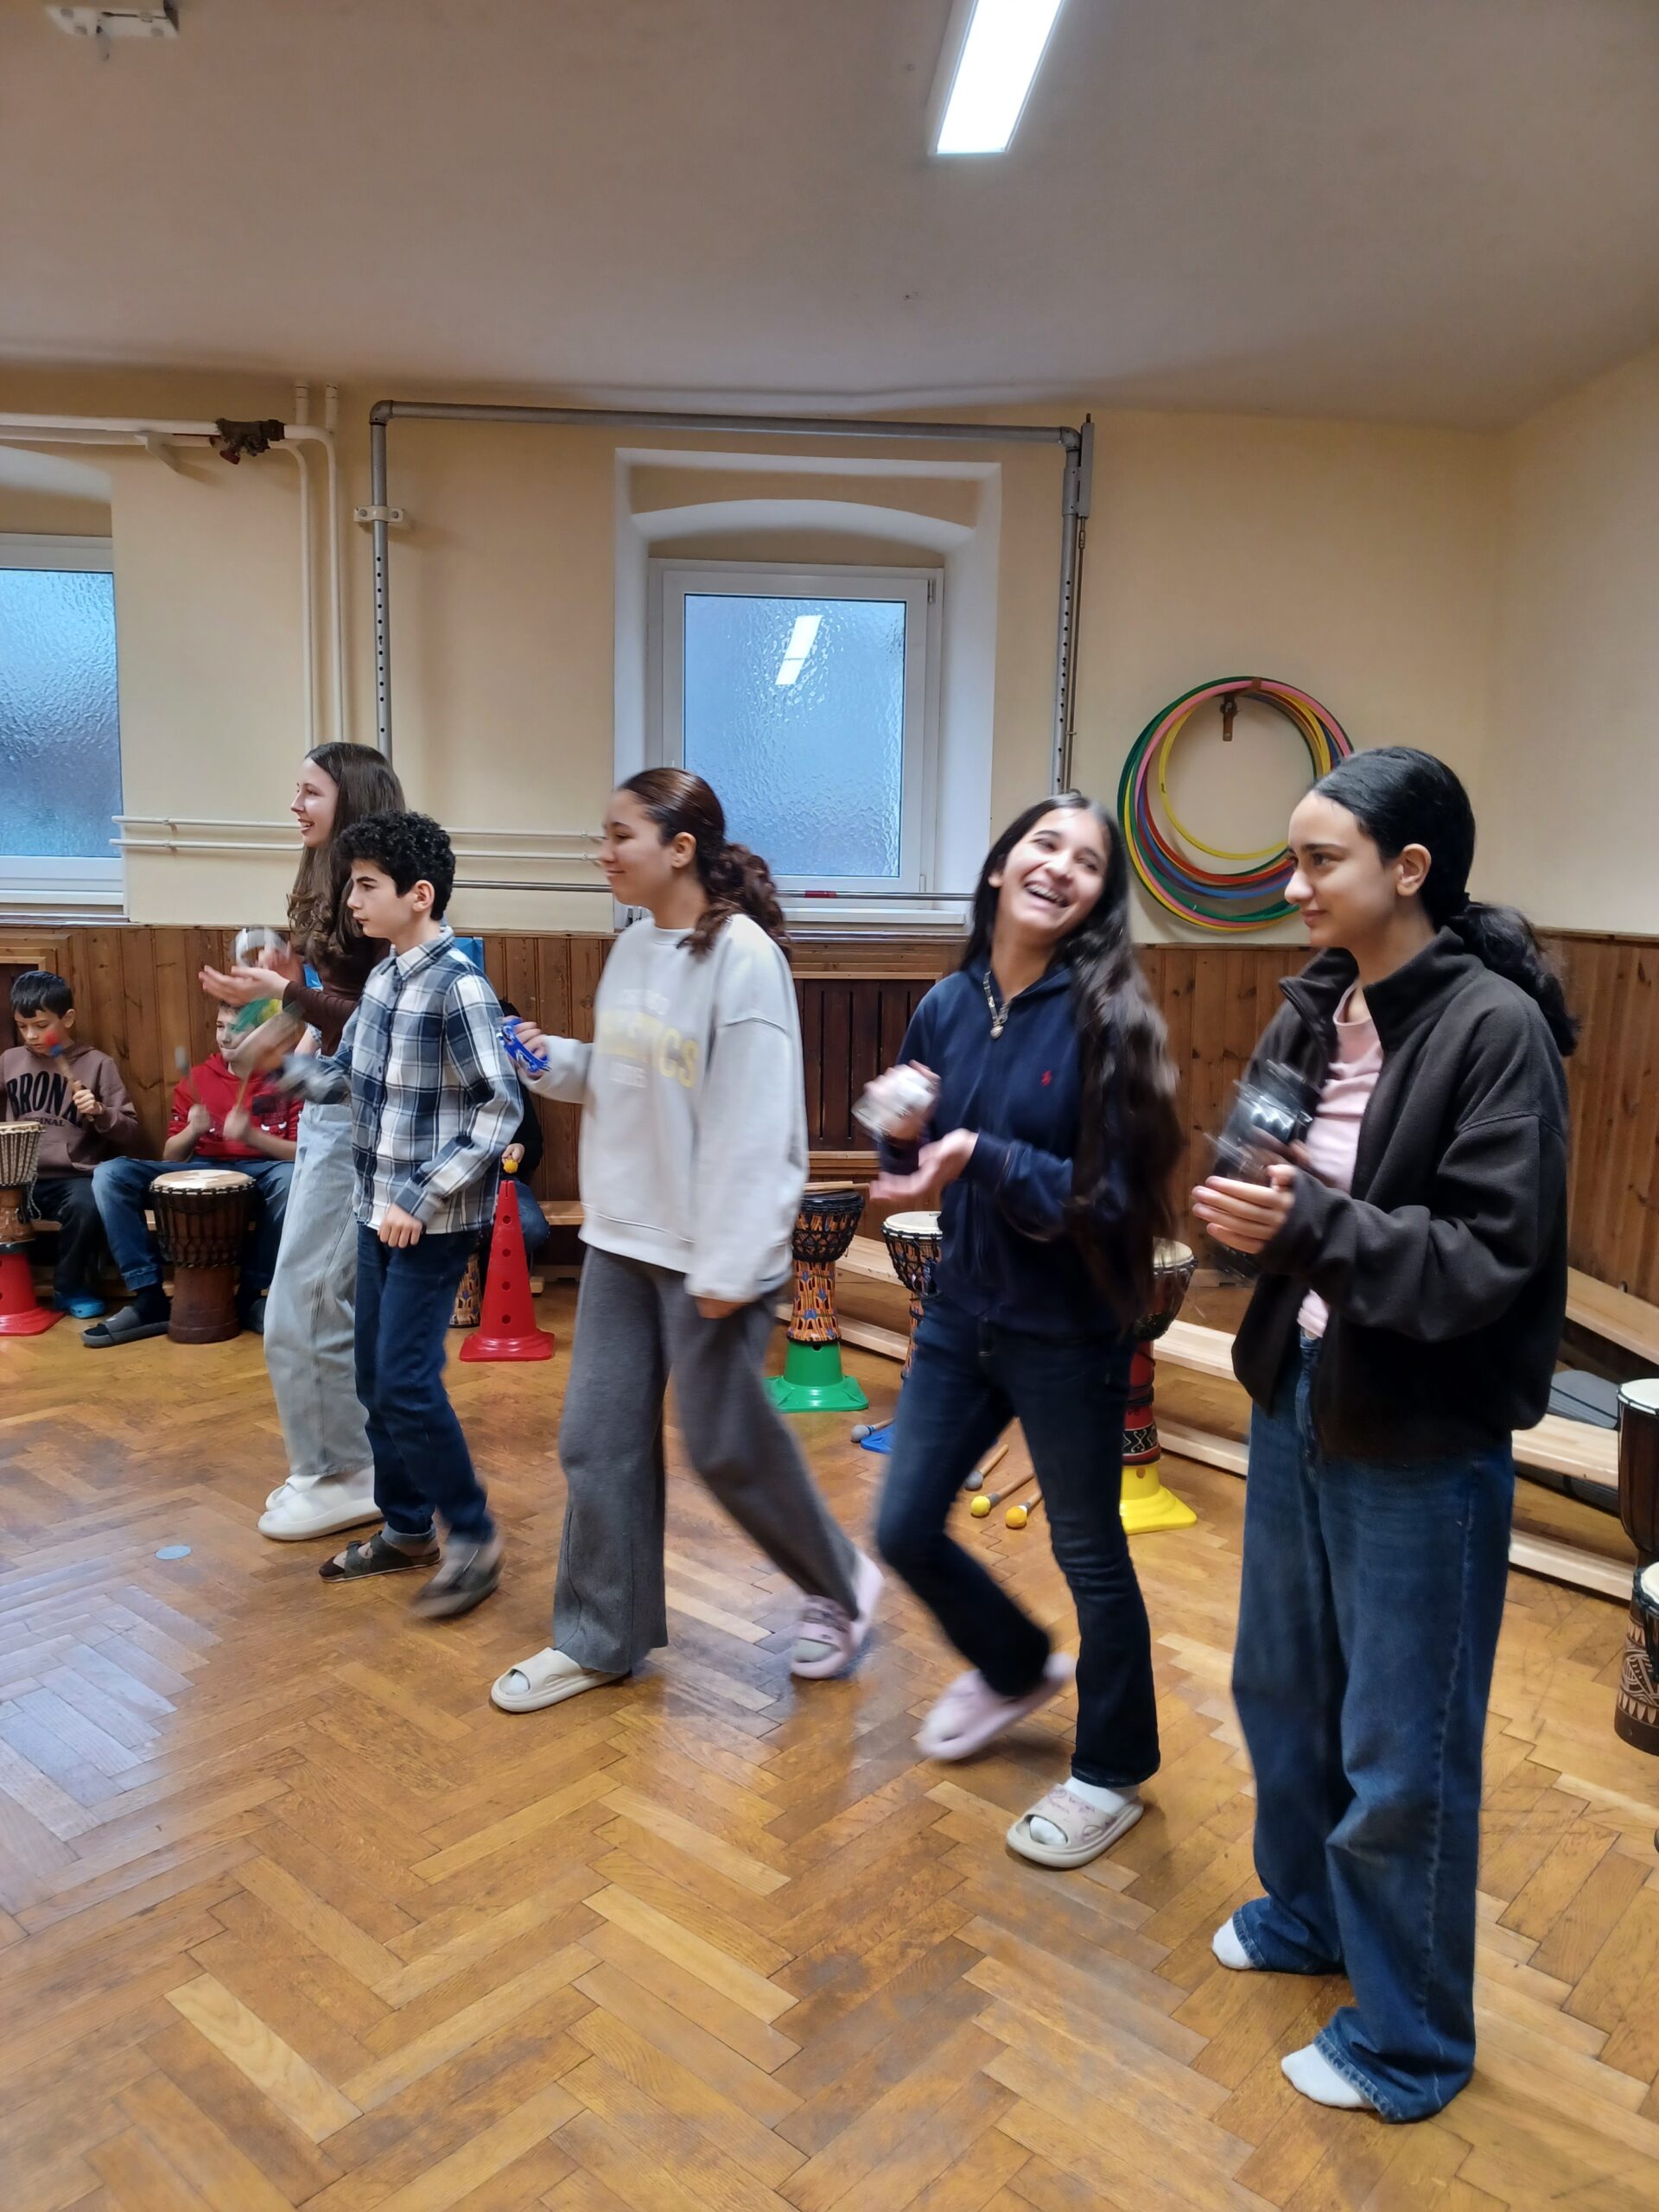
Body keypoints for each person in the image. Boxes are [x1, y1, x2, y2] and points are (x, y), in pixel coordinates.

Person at [1191, 747, 1575, 2123]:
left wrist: (1305, 1223)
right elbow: (1255, 1172)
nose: (1292, 886)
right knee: (1281, 1688)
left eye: (1318, 860)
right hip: (1301, 1388)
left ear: (1410, 870)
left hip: (1421, 1432)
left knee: (1403, 1752)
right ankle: (1308, 1915)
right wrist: (1239, 1209)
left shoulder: (1492, 1030)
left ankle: (1410, 2045)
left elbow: (1487, 1262)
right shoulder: (1319, 1004)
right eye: (1292, 860)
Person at [489, 769, 880, 1715]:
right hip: (625, 1238)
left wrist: (732, 1262)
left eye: (619, 834)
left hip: (710, 1248)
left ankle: (841, 1582)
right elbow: (637, 1076)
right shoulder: (632, 949)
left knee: (725, 1446)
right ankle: (601, 1638)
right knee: (596, 1443)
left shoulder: (744, 959)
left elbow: (760, 1125)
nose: (603, 852)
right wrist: (557, 1062)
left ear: (680, 847)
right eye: (602, 834)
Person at [867, 793, 1183, 1871]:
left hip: (1069, 1327)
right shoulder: (947, 1004)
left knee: (1091, 1555)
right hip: (962, 1314)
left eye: (1087, 861)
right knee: (904, 1525)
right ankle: (1012, 1664)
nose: (1060, 867)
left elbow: (1116, 1199)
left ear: (1097, 898)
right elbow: (910, 1160)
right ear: (1002, 865)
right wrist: (902, 1137)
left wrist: (983, 1157)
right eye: (1044, 844)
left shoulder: (1112, 1018)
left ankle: (1112, 1770)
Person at [259, 810, 520, 1619]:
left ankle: (473, 1534)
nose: (352, 900)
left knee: (405, 1381)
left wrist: (421, 1194)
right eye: (351, 885)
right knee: (375, 1379)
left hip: (430, 1223)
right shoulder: (383, 981)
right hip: (375, 1213)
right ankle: (408, 1530)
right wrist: (291, 1075)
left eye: (366, 886)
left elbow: (500, 1109)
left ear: (420, 894)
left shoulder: (460, 988)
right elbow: (351, 1081)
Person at [200, 741, 406, 1540]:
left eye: (310, 792)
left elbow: (377, 1020)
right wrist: (270, 1032)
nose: (295, 804)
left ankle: (346, 1473)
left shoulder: (384, 890)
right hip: (332, 1103)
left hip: (365, 1114)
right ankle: (328, 1462)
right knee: (306, 1297)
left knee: (307, 1299)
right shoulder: (325, 876)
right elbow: (326, 1006)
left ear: (351, 797)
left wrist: (287, 993)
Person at [82, 1007, 300, 1346]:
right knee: (110, 1174)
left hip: (265, 1173)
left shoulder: (287, 1081)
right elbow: (171, 1156)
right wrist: (192, 1131)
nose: (225, 1036)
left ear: (263, 1033)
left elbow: (303, 1155)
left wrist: (253, 1138)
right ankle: (149, 1297)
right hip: (201, 1168)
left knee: (290, 1179)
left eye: (237, 1028)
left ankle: (251, 1296)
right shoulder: (198, 1078)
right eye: (220, 1026)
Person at [2, 969, 139, 1317]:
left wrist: (100, 1112)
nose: (31, 1036)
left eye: (41, 1025)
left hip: (74, 1177)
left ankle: (70, 1287)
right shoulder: (9, 1061)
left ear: (68, 1018)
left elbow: (129, 1131)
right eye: (22, 1026)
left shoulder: (97, 1064)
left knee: (88, 1204)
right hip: (19, 1178)